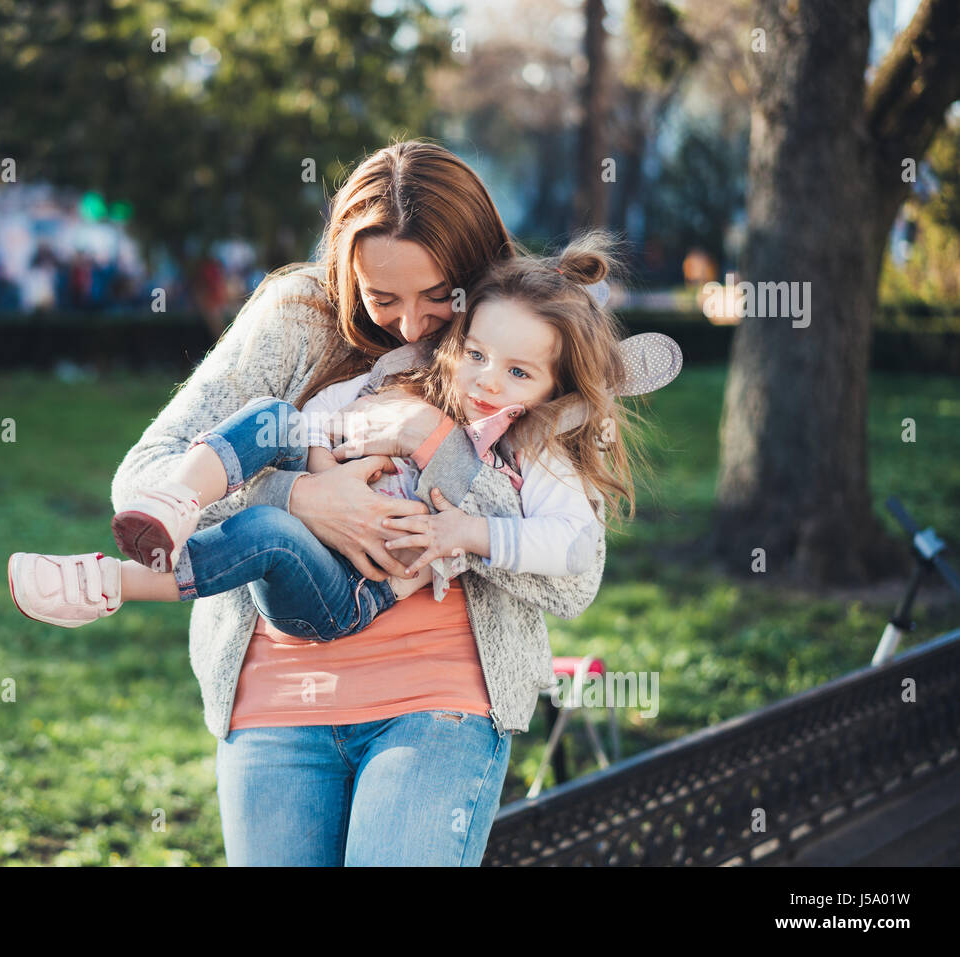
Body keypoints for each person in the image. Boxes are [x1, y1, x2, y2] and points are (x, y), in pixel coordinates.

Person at [32, 141, 639, 865]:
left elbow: (573, 577)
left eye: (437, 297)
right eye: (382, 298)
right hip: (277, 700)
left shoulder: (514, 338)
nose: (410, 326)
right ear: (348, 270)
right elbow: (143, 478)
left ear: (475, 270)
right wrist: (302, 496)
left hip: (439, 705)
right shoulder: (296, 318)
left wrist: (430, 440)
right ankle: (114, 581)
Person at [9, 245, 678, 642]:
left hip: (347, 593)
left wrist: (469, 532)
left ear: (557, 386)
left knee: (269, 533)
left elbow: (572, 546)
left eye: (519, 373)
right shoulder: (417, 382)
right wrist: (320, 467)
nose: (486, 380)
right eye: (476, 354)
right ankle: (176, 502)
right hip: (315, 511)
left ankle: (110, 583)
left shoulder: (535, 449)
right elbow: (323, 416)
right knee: (272, 416)